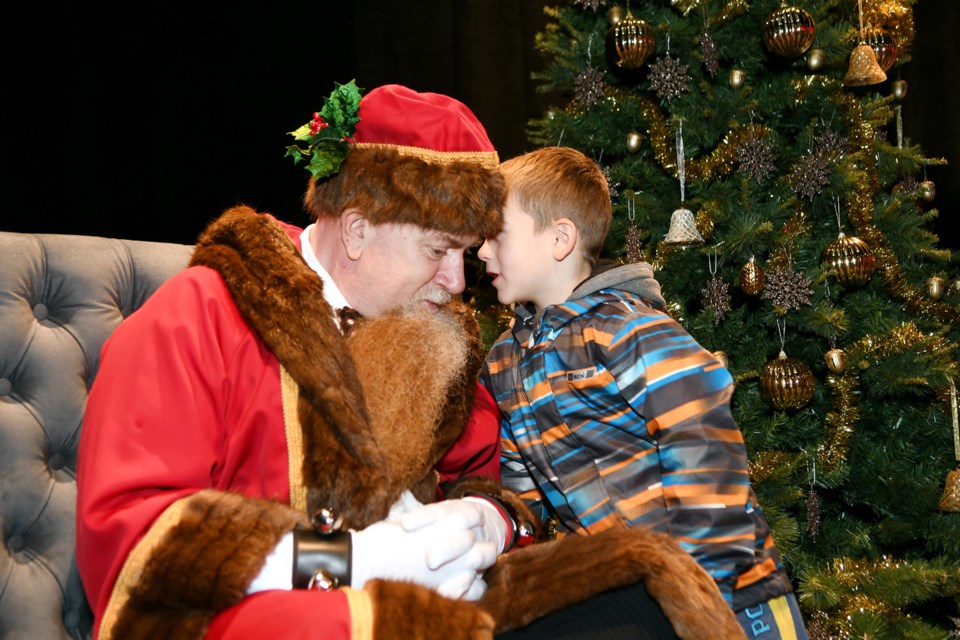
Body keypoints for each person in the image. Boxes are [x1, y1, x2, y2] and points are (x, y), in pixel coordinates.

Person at [76, 83, 518, 640]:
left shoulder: (431, 336)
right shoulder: (200, 316)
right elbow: (139, 539)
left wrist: (486, 521)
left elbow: (479, 477)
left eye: (465, 254)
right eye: (437, 251)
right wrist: (340, 561)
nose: (456, 283)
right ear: (357, 231)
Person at [478, 146, 809, 640]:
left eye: (496, 234)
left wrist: (700, 585)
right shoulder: (504, 359)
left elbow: (705, 447)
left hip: (731, 591)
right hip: (624, 593)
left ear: (560, 238)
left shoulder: (627, 329)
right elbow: (524, 490)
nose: (481, 250)